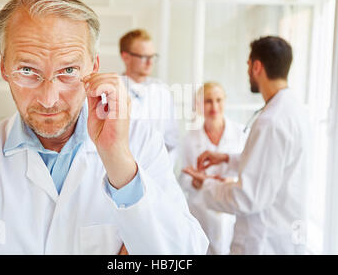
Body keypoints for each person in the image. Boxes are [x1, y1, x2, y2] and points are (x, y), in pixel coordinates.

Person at [0, 0, 208, 255]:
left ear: (93, 68)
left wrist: (118, 162)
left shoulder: (140, 145)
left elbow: (180, 255)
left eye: (69, 70)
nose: (49, 98)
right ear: (3, 67)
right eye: (27, 70)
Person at [183, 36, 311, 255]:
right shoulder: (294, 109)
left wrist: (206, 185)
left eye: (248, 65)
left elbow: (247, 198)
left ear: (256, 66)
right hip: (283, 230)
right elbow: (270, 164)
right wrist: (226, 158)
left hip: (264, 241)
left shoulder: (271, 121)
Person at [178, 82, 248, 255]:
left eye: (218, 100)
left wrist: (230, 181)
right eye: (208, 101)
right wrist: (195, 181)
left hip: (231, 212)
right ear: (199, 105)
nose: (214, 106)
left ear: (225, 101)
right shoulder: (189, 139)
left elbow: (249, 173)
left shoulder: (242, 134)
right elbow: (183, 177)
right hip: (202, 212)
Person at [119, 29, 179, 167]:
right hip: (119, 174)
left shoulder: (162, 92)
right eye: (144, 57)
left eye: (153, 57)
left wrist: (162, 170)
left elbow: (172, 140)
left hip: (158, 173)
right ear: (126, 57)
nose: (150, 62)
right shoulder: (109, 92)